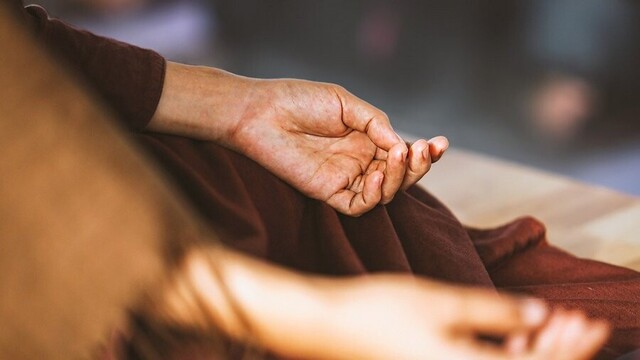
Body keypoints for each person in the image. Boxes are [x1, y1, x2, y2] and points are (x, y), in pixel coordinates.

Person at [5, 1, 640, 359]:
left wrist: (237, 108)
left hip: (221, 197)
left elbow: (22, 50)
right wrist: (324, 322)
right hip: (130, 298)